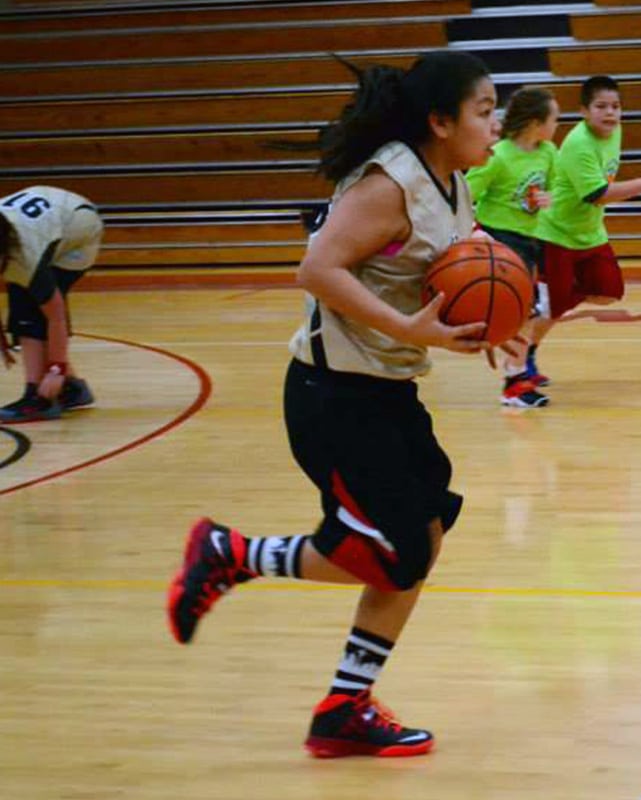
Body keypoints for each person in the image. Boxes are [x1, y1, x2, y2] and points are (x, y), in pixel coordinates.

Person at [166, 51, 514, 758]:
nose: (496, 120)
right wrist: (413, 328)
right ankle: (232, 556)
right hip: (333, 396)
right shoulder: (391, 181)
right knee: (396, 549)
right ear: (440, 122)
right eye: (484, 109)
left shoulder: (454, 181)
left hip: (387, 391)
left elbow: (461, 255)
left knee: (420, 541)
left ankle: (341, 705)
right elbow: (317, 268)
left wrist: (492, 323)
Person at [531, 75, 641, 388]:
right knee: (555, 308)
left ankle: (546, 294)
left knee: (610, 292)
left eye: (615, 106)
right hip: (557, 233)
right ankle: (528, 353)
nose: (610, 113)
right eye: (601, 106)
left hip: (590, 231)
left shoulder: (615, 131)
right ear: (585, 111)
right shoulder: (578, 144)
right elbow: (597, 193)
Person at [466, 86, 559, 409]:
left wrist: (550, 199)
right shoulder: (498, 156)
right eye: (554, 118)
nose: (557, 124)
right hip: (501, 240)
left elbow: (557, 188)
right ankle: (514, 382)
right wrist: (475, 232)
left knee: (531, 311)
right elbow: (464, 195)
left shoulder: (548, 152)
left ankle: (517, 374)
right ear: (536, 122)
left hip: (532, 239)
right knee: (525, 312)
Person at [0, 185, 100, 423]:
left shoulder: (25, 258)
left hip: (79, 231)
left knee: (31, 310)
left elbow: (56, 316)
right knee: (23, 301)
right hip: (48, 216)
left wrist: (56, 368)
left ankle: (39, 398)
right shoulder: (11, 250)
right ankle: (72, 389)